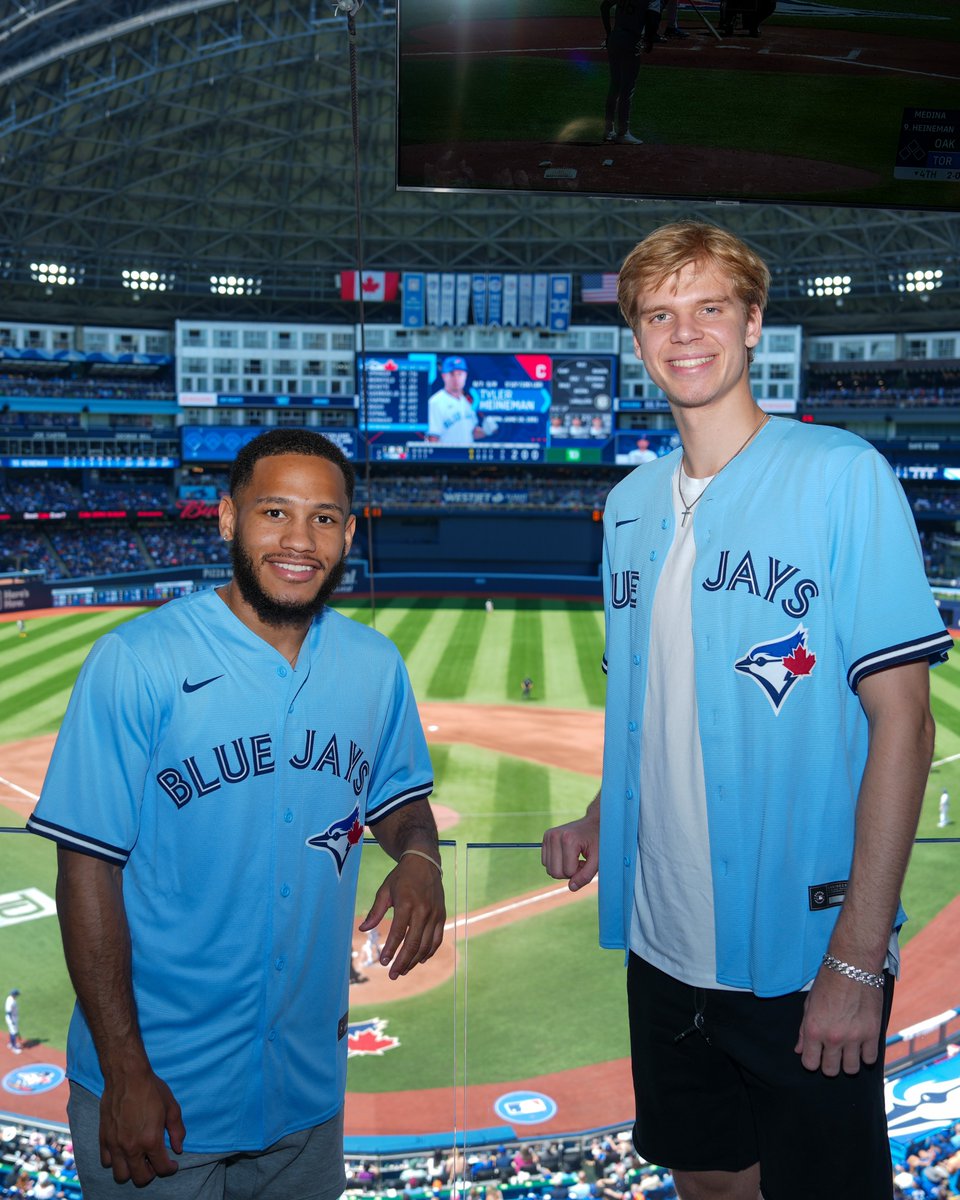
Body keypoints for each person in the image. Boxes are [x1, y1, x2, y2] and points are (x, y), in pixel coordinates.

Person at [541, 222, 951, 1200]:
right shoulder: (632, 506)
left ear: (754, 324)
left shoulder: (840, 475)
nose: (684, 333)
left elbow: (907, 722)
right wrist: (602, 819)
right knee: (711, 1185)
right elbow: (654, 707)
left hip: (800, 956)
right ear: (636, 340)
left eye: (709, 307)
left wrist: (855, 962)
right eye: (658, 314)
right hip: (662, 946)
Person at [27, 429, 445, 1199]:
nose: (299, 540)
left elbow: (400, 805)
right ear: (227, 519)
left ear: (349, 533)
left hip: (305, 1099)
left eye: (324, 518)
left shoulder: (373, 666)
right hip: (159, 1097)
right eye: (274, 512)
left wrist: (421, 856)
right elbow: (86, 868)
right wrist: (124, 1071)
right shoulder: (136, 662)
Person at [600, 0, 658, 145]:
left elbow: (604, 6)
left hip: (616, 36)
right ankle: (623, 132)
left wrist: (608, 32)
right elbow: (653, 18)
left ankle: (608, 129)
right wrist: (650, 40)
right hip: (631, 39)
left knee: (615, 85)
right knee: (627, 88)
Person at [427, 356, 484, 446]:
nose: (456, 378)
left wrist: (488, 431)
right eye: (452, 374)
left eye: (460, 374)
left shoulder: (467, 401)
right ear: (444, 376)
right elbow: (433, 438)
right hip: (447, 457)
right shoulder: (435, 402)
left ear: (465, 376)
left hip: (468, 456)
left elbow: (472, 433)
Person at [5, 988, 22, 1053]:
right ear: (14, 995)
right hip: (12, 1019)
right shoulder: (11, 1001)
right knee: (13, 1033)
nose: (17, 996)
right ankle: (14, 1047)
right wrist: (12, 1022)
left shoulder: (9, 998)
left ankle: (11, 1044)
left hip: (12, 1018)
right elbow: (8, 1012)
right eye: (17, 995)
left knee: (11, 1031)